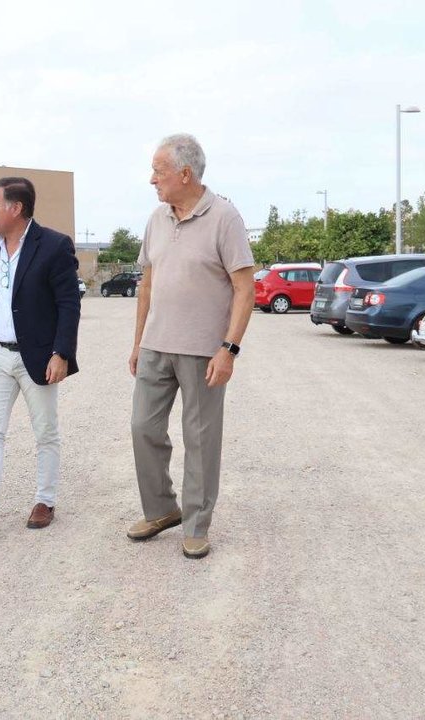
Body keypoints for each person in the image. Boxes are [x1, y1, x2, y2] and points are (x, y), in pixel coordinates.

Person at [126, 134, 255, 559]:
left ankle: (197, 524)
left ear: (185, 173)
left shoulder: (224, 217)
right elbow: (146, 284)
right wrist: (137, 342)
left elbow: (244, 287)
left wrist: (229, 349)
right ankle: (163, 509)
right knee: (143, 428)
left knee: (200, 441)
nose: (152, 179)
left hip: (204, 351)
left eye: (158, 171)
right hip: (156, 346)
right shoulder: (156, 219)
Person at [0, 177, 80, 534]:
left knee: (45, 432)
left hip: (36, 357)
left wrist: (61, 353)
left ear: (16, 208)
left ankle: (45, 500)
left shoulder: (54, 246)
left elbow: (69, 304)